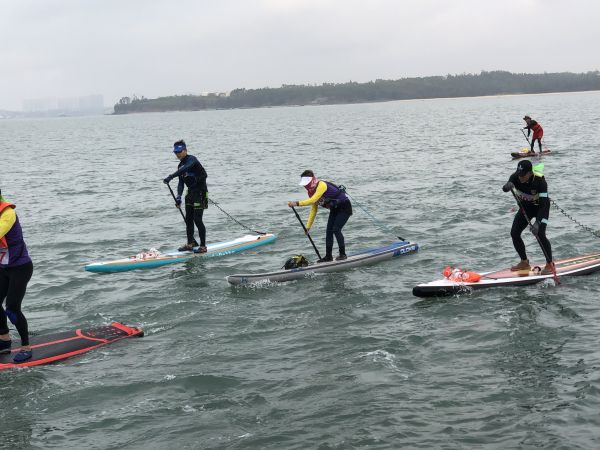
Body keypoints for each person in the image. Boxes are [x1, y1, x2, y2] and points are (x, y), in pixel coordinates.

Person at [287, 170, 352, 263]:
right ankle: (328, 256)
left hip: (345, 207)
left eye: (307, 184)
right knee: (329, 231)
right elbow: (313, 209)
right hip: (335, 209)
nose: (306, 186)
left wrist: (296, 203)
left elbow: (312, 200)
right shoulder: (311, 193)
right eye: (305, 185)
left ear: (313, 180)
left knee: (336, 229)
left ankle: (343, 254)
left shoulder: (321, 185)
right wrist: (308, 227)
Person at [502, 160, 554, 274]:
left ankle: (550, 264)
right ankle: (524, 262)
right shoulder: (515, 176)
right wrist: (506, 187)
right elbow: (505, 188)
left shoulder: (540, 182)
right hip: (526, 208)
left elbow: (544, 204)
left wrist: (538, 223)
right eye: (519, 174)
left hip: (541, 208)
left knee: (540, 234)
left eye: (523, 175)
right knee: (514, 233)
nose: (520, 177)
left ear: (530, 173)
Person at [0, 189, 34, 363]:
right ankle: (4, 339)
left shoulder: (8, 213)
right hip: (3, 268)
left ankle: (26, 347)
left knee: (12, 308)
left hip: (20, 268)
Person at [163, 140, 209, 253]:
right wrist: (178, 197)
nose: (177, 154)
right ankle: (190, 244)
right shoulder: (180, 165)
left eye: (179, 151)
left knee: (197, 219)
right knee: (188, 220)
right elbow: (181, 183)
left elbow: (185, 168)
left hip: (200, 193)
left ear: (185, 151)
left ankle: (203, 246)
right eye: (176, 152)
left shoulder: (192, 160)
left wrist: (171, 176)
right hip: (190, 194)